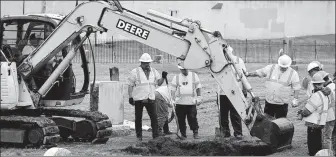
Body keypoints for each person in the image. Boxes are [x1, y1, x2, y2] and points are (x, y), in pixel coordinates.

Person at [127, 53, 167, 142]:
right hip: (139, 98)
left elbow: (159, 83)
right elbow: (130, 85)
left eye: (148, 63)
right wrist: (130, 97)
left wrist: (163, 77)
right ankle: (139, 136)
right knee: (138, 118)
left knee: (154, 117)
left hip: (150, 98)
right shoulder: (135, 72)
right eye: (145, 63)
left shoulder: (154, 71)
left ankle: (155, 136)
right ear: (141, 63)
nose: (147, 64)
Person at [246, 54, 300, 118]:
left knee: (280, 123)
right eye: (282, 66)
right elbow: (259, 72)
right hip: (269, 102)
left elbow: (296, 87)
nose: (283, 68)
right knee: (267, 122)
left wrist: (295, 99)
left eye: (285, 67)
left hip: (282, 103)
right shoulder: (271, 68)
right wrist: (248, 74)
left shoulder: (293, 73)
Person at [297, 72, 330, 156]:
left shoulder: (316, 95)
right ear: (322, 83)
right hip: (320, 122)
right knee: (318, 141)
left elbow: (308, 111)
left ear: (314, 85)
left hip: (313, 123)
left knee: (312, 143)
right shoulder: (325, 94)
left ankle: (313, 154)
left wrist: (301, 113)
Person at [217, 46, 247, 137]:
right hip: (223, 92)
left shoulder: (238, 60)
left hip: (236, 90)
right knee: (223, 114)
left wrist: (244, 90)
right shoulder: (217, 62)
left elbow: (243, 76)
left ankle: (238, 133)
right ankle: (226, 133)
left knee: (236, 113)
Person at [171, 65, 202, 139]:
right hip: (180, 102)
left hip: (191, 102)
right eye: (183, 70)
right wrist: (172, 99)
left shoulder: (194, 76)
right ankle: (183, 134)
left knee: (193, 117)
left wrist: (199, 97)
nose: (185, 71)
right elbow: (173, 89)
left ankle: (195, 132)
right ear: (180, 69)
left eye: (186, 69)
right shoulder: (176, 77)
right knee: (181, 119)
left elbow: (198, 87)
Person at [319, 71, 335, 153]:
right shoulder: (333, 85)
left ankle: (327, 154)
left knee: (327, 137)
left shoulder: (327, 90)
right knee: (334, 136)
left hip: (330, 116)